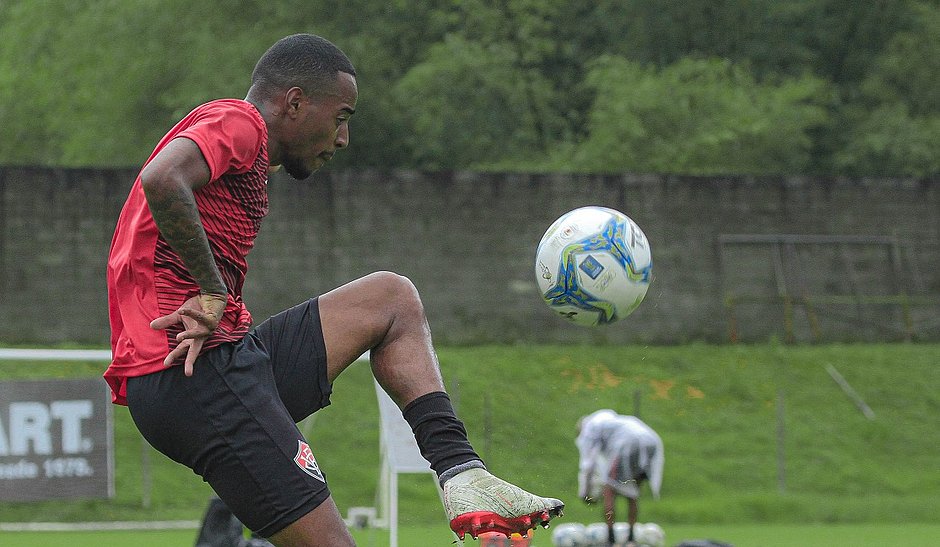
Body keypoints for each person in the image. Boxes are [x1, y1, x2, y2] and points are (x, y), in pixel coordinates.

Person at [105, 33, 563, 546]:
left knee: (391, 300)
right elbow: (162, 178)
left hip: (224, 363)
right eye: (341, 117)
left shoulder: (248, 153)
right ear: (295, 102)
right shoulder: (240, 122)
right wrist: (213, 291)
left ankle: (463, 475)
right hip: (194, 376)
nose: (342, 138)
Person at [576, 410, 663, 547]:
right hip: (651, 440)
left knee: (609, 489)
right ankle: (631, 538)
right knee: (633, 490)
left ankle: (611, 539)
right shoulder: (610, 422)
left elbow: (588, 464)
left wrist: (585, 494)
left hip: (626, 442)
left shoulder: (590, 429)